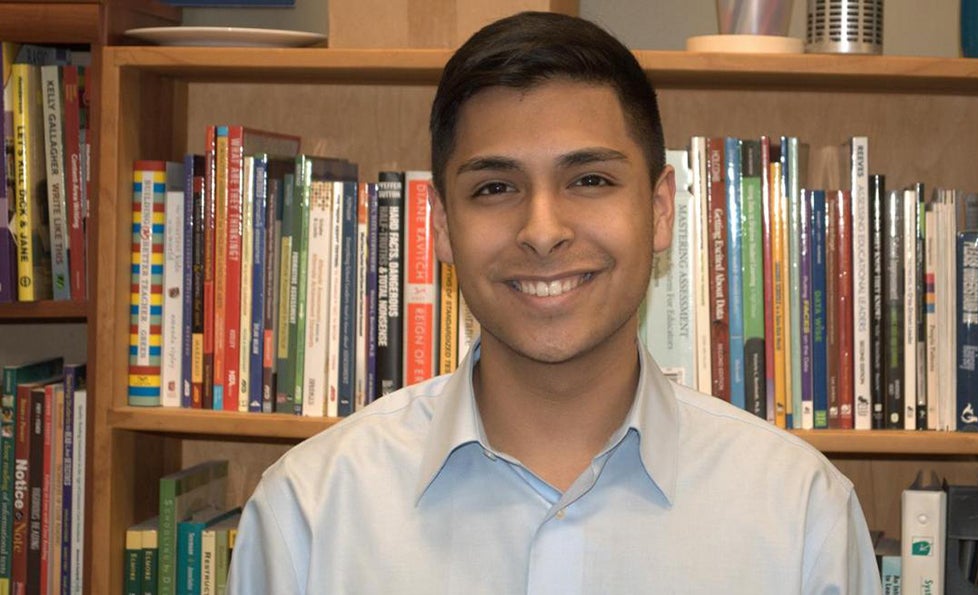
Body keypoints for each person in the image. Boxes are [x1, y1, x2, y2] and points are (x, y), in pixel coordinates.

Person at [228, 11, 880, 594]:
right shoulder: (307, 514)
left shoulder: (801, 515)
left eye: (590, 179)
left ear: (658, 212)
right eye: (494, 187)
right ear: (442, 227)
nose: (542, 230)